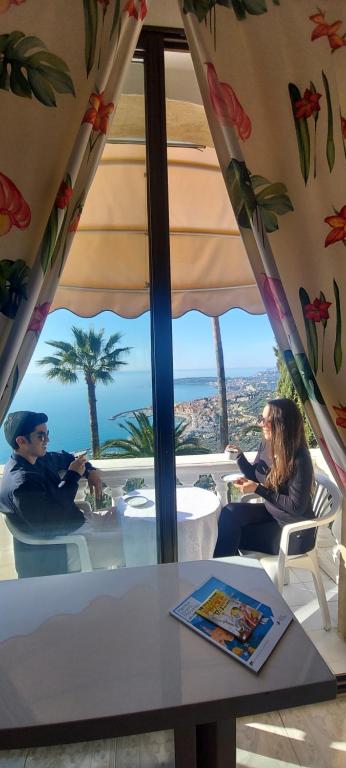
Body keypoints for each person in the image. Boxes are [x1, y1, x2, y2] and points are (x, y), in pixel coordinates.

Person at [0, 411, 122, 577]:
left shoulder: (37, 459)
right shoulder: (22, 483)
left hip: (76, 523)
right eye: (40, 436)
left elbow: (68, 458)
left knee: (127, 517)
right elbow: (51, 523)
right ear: (21, 441)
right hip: (65, 548)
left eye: (47, 434)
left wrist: (90, 471)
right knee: (136, 541)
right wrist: (72, 476)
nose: (47, 440)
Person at [214, 398, 315, 558]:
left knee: (231, 534)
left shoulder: (300, 458)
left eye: (267, 421)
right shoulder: (267, 444)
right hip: (272, 515)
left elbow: (297, 507)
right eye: (261, 419)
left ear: (282, 424)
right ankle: (226, 573)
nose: (261, 424)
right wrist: (239, 457)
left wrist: (257, 489)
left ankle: (223, 575)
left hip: (295, 531)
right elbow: (255, 474)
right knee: (229, 513)